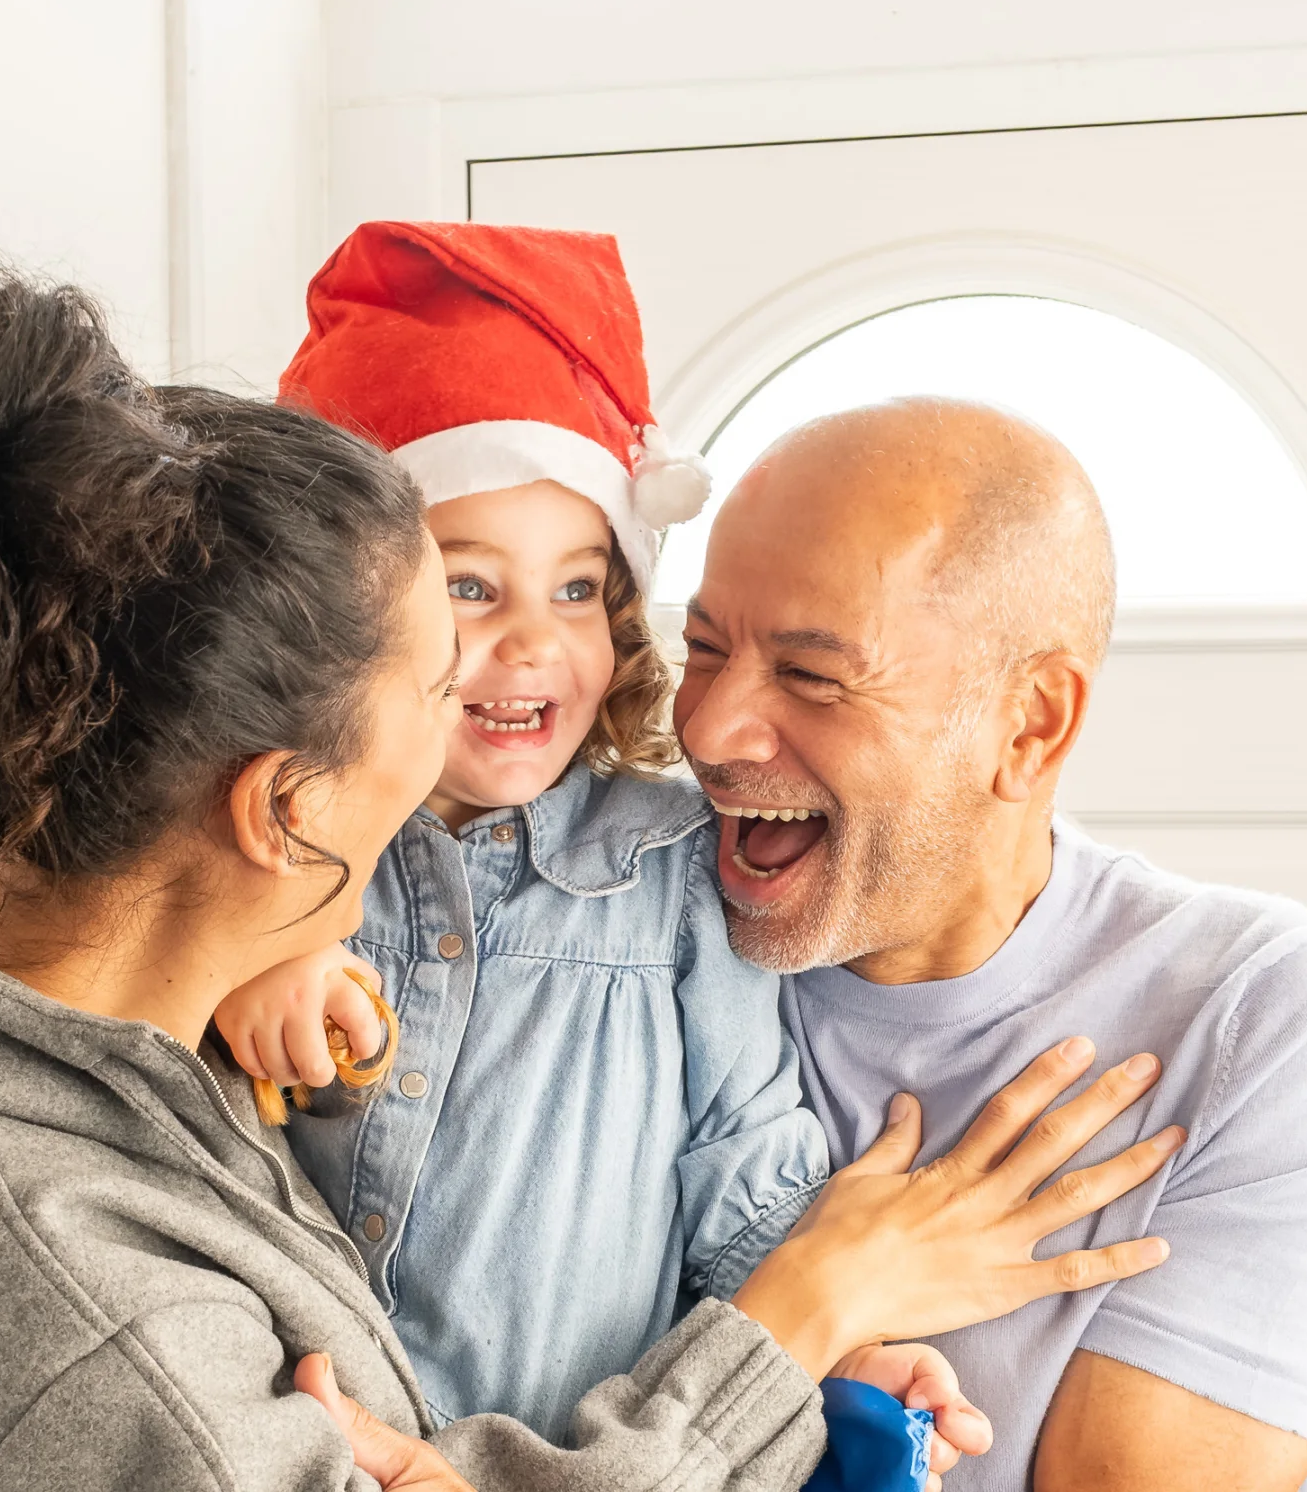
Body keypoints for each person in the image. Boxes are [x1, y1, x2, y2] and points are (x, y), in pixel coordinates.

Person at [0, 254, 1190, 1492]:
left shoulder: (8, 1044)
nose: (507, 690)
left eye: (582, 594)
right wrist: (799, 1323)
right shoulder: (105, 1331)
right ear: (287, 805)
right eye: (440, 658)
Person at [209, 220, 963, 1448]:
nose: (534, 642)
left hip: (571, 1459)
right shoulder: (248, 840)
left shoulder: (668, 869)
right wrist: (254, 944)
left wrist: (859, 1341)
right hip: (270, 1449)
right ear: (331, 614)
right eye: (468, 585)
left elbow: (742, 1193)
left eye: (576, 587)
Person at [674, 398, 1307, 1490]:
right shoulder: (602, 931)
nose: (707, 729)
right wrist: (825, 1285)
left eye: (812, 676)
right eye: (700, 648)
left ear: (1030, 724)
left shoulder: (1258, 1018)